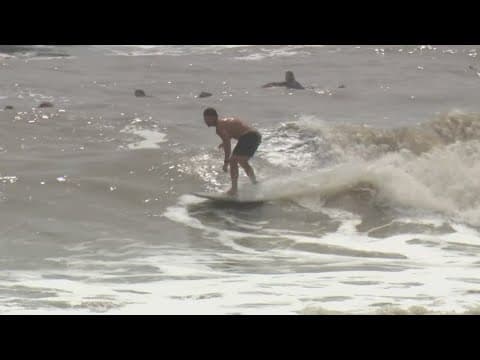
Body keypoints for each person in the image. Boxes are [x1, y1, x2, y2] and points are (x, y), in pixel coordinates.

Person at [203, 108, 261, 196]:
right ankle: (255, 183)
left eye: (207, 119)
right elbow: (233, 131)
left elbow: (228, 144)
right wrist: (224, 142)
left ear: (213, 117)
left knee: (233, 161)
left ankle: (234, 190)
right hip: (256, 136)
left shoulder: (219, 127)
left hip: (248, 136)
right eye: (205, 119)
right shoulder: (223, 123)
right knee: (242, 162)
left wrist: (226, 162)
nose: (205, 121)